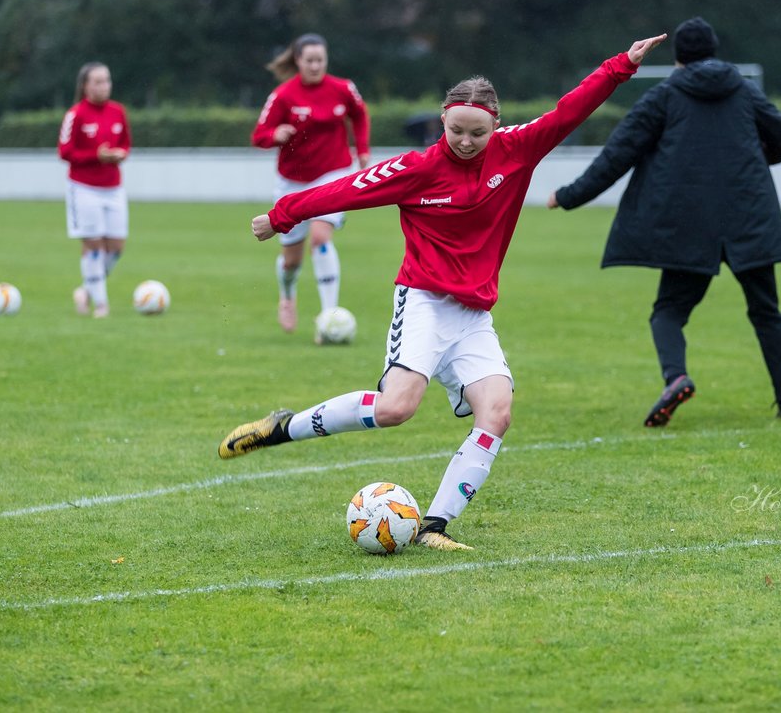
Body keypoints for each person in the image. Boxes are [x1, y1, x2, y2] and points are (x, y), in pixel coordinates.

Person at [219, 33, 668, 551]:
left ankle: (434, 526)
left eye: (477, 133)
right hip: (425, 301)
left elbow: (569, 111)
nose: (466, 141)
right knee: (396, 409)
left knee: (497, 412)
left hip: (474, 314)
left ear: (495, 125)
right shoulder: (419, 168)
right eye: (456, 130)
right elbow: (348, 187)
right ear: (443, 122)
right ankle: (282, 427)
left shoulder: (518, 150)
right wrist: (281, 216)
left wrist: (621, 65)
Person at [548, 17, 781, 426]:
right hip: (749, 214)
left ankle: (676, 376)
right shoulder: (744, 90)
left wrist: (568, 195)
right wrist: (751, 160)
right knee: (766, 310)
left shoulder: (665, 95)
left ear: (679, 58)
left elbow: (619, 153)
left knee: (668, 310)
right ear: (714, 51)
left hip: (689, 221)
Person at [252, 34, 371, 339]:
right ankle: (287, 295)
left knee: (320, 235)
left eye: (321, 60)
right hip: (292, 181)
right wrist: (275, 134)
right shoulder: (283, 95)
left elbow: (360, 115)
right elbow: (259, 135)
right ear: (298, 62)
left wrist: (363, 151)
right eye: (310, 60)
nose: (316, 65)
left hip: (333, 174)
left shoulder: (343, 89)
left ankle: (328, 317)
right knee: (292, 259)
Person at [58, 62, 131, 318]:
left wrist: (118, 155)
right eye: (98, 81)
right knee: (95, 245)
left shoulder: (118, 112)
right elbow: (65, 152)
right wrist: (95, 156)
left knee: (116, 247)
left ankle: (86, 291)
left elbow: (126, 145)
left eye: (107, 80)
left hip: (113, 188)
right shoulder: (75, 114)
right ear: (85, 86)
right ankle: (101, 305)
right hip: (84, 188)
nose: (104, 86)